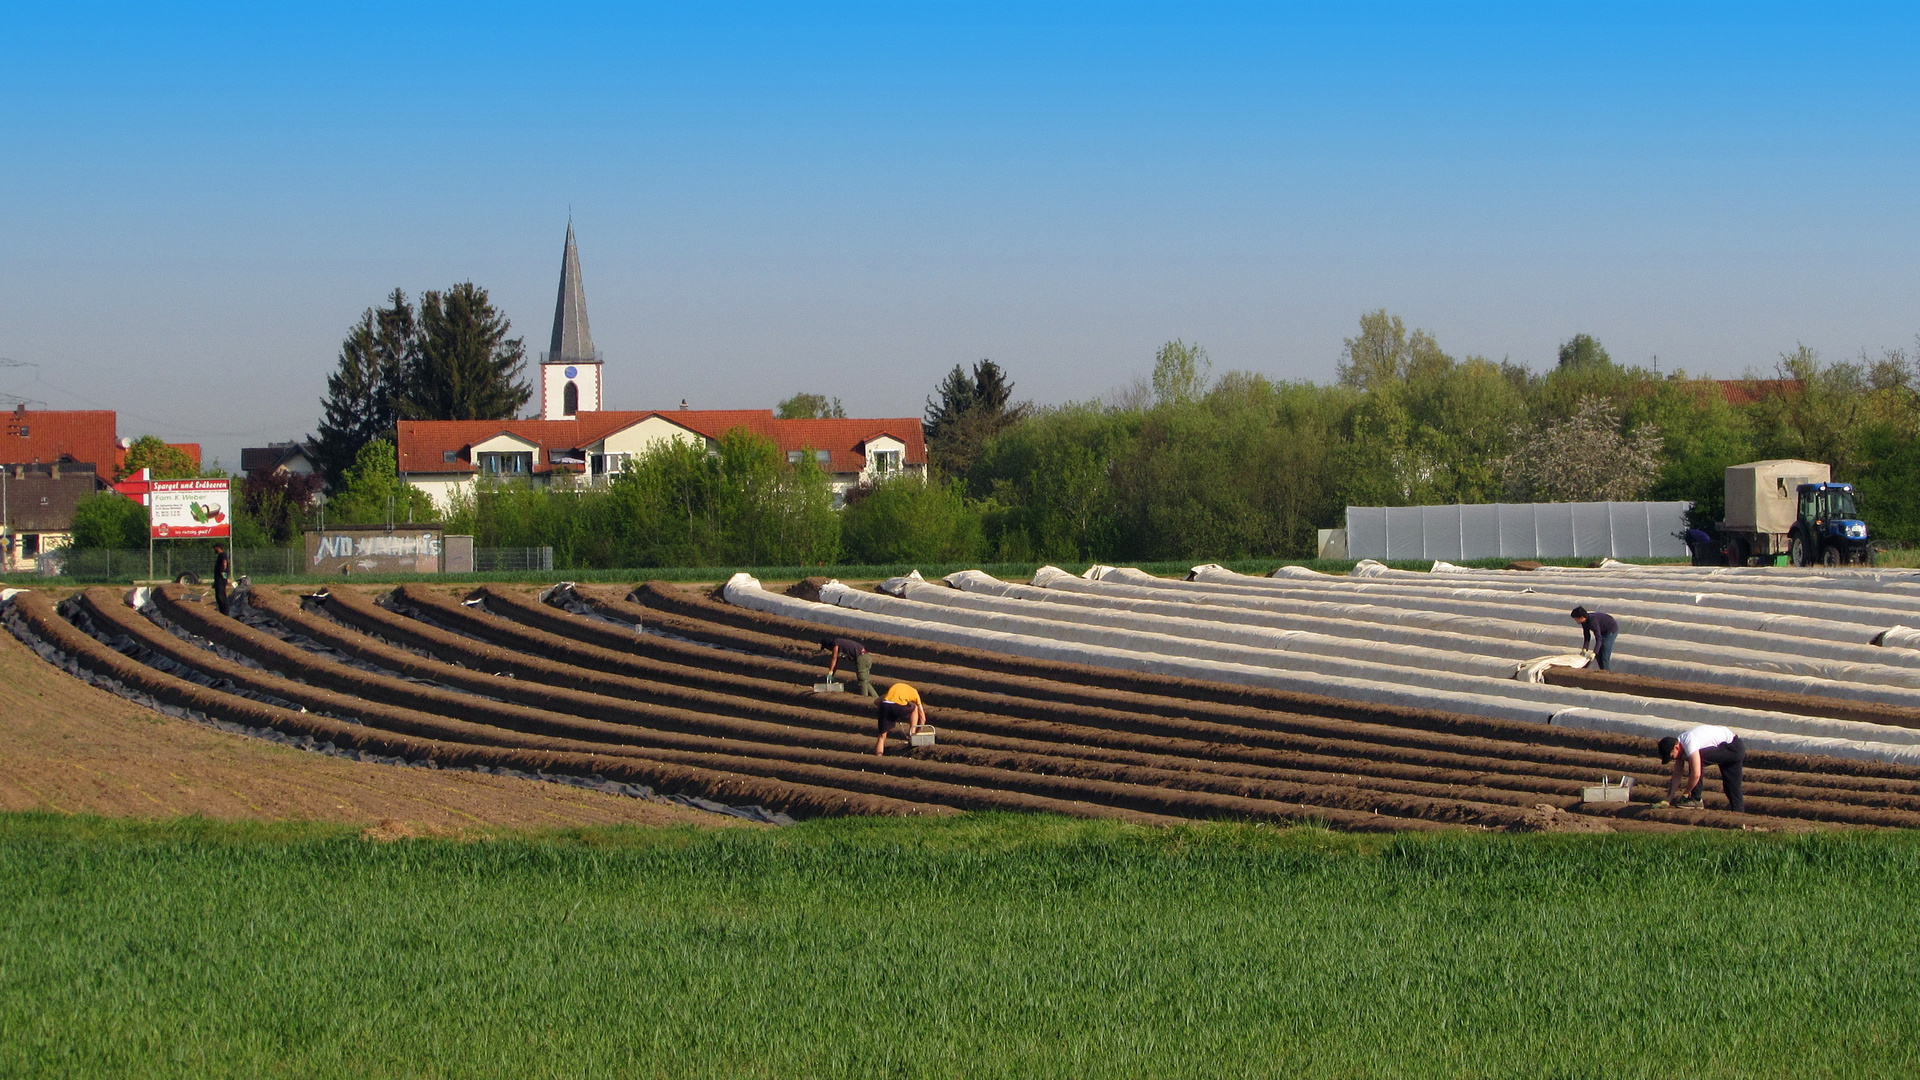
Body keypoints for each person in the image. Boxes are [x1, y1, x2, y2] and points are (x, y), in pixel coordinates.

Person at [1657, 725, 1746, 812]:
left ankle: (1696, 799)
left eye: (1672, 757)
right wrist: (1668, 799)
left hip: (1731, 746)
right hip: (1735, 745)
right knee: (1732, 787)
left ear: (1676, 748)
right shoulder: (1680, 744)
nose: (1673, 759)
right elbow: (1677, 775)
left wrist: (1686, 793)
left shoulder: (1689, 742)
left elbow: (1696, 774)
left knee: (1697, 760)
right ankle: (1739, 817)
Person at [874, 681, 928, 755]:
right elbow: (922, 717)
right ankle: (912, 734)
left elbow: (876, 702)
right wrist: (918, 732)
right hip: (897, 706)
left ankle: (878, 757)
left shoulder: (894, 689)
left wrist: (890, 713)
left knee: (881, 736)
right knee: (914, 708)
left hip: (885, 705)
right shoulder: (914, 693)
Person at [1570, 606, 1618, 671]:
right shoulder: (1584, 622)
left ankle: (1608, 674)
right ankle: (1603, 671)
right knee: (1598, 656)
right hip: (1602, 631)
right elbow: (1587, 635)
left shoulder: (1593, 621)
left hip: (1610, 630)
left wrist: (1594, 652)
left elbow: (1599, 639)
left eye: (1576, 618)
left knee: (1604, 655)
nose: (1575, 620)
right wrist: (1585, 648)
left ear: (1581, 617)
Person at [212, 543, 231, 616]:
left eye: (215, 548)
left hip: (221, 579)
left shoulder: (222, 555)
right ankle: (222, 612)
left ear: (218, 548)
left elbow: (224, 563)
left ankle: (225, 612)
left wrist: (222, 571)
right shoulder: (220, 556)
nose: (214, 549)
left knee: (221, 595)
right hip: (218, 579)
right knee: (218, 595)